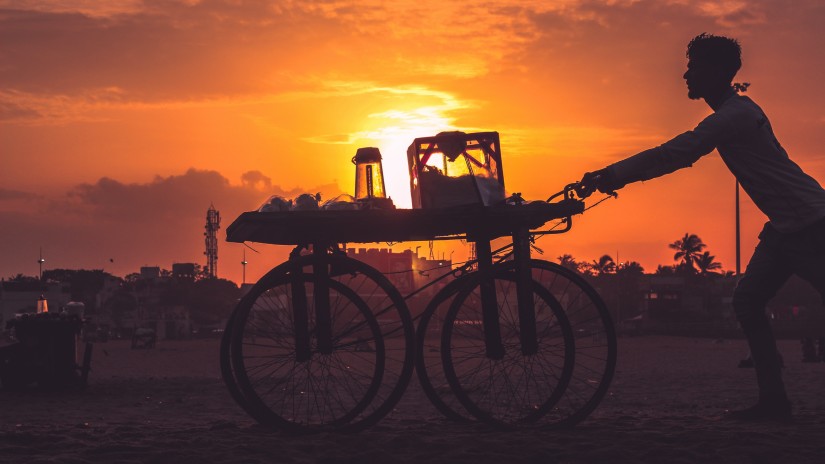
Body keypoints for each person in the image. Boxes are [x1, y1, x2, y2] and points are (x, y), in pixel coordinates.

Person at [577, 33, 825, 421]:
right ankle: (774, 402)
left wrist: (613, 174)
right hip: (785, 227)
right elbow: (676, 155)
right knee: (747, 300)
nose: (686, 75)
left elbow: (677, 153)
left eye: (694, 67)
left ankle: (774, 401)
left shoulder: (735, 115)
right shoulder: (734, 113)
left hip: (812, 224)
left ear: (718, 72)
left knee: (749, 300)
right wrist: (616, 177)